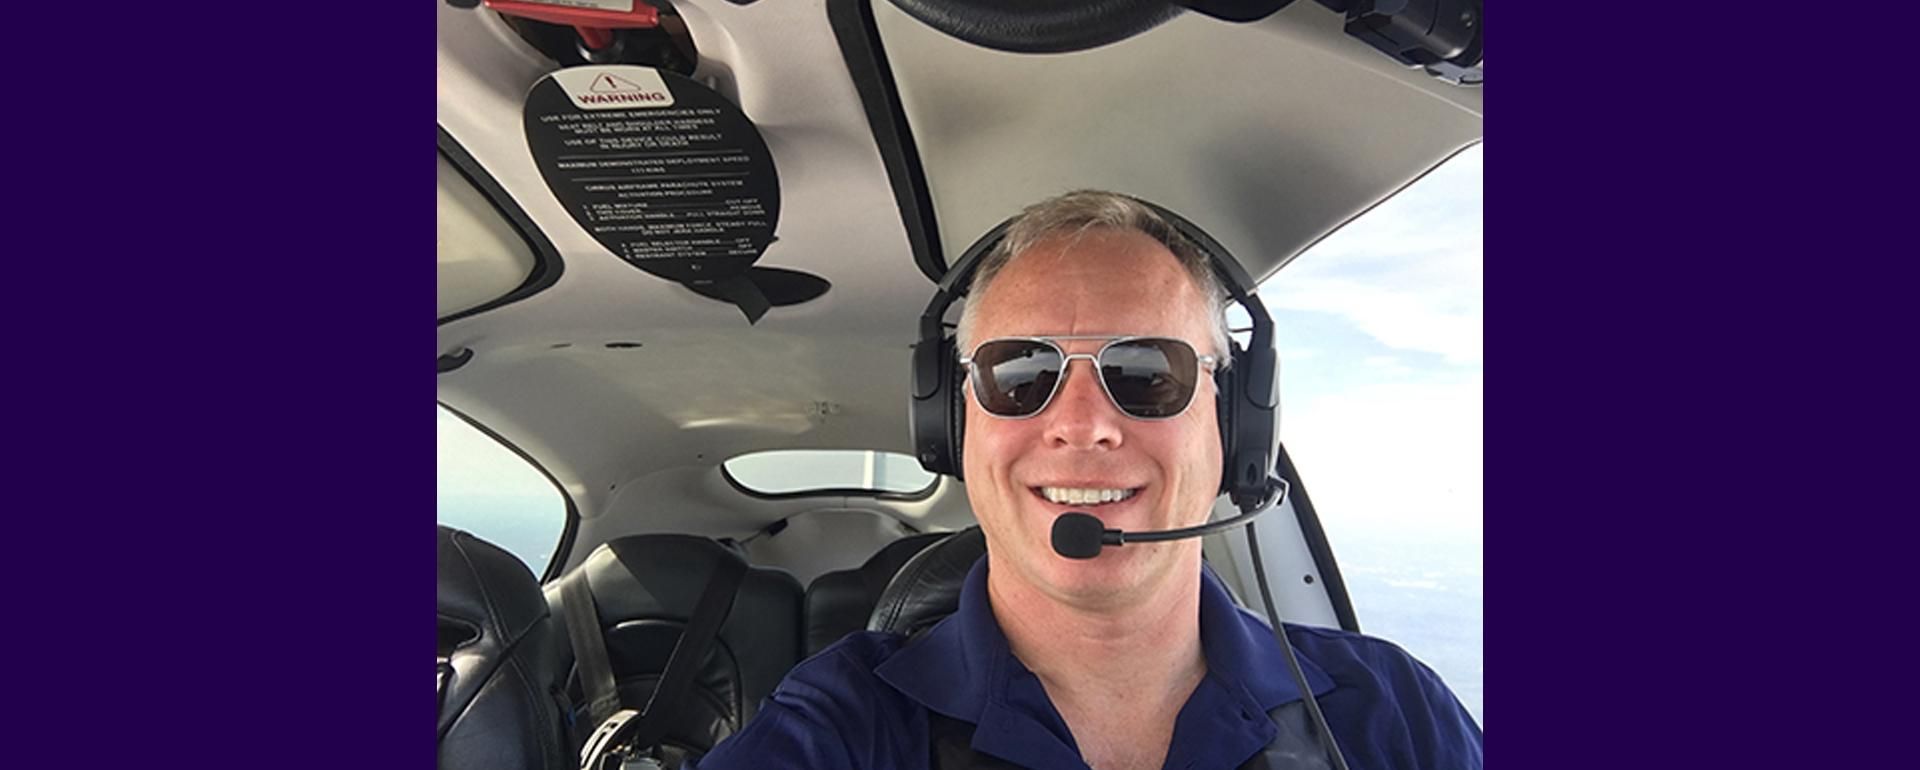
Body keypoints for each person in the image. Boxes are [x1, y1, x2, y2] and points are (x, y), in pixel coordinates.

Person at [689, 191, 1482, 769]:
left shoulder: (1390, 712)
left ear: (1233, 419)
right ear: (954, 424)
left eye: (1143, 371)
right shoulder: (843, 728)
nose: (1083, 423)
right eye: (1021, 370)